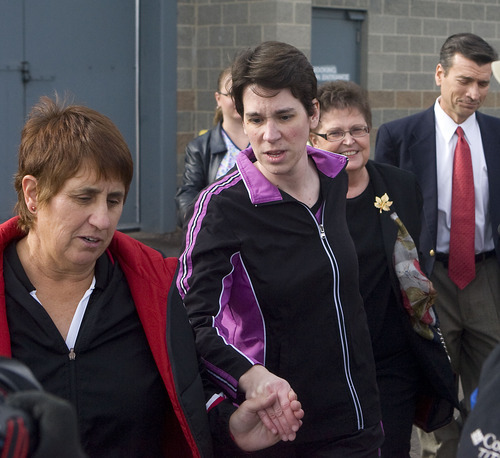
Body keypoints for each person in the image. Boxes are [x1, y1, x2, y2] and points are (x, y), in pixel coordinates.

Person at [0, 96, 304, 457]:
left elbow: (185, 403)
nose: (102, 219)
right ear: (33, 194)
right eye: (84, 198)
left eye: (114, 201)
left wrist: (230, 429)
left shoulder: (159, 291)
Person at [176, 41, 383, 457]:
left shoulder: (334, 180)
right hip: (277, 430)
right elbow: (190, 321)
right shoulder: (223, 206)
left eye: (285, 116)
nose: (269, 135)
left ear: (314, 113)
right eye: (255, 118)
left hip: (356, 424)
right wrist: (249, 376)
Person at [309, 80, 458, 457]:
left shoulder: (400, 185)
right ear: (313, 138)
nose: (349, 141)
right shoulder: (303, 197)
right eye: (335, 132)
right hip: (329, 363)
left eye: (358, 129)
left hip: (393, 359)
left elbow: (412, 265)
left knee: (391, 449)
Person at [375, 33, 500, 457]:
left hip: (487, 278)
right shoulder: (399, 137)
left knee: (493, 387)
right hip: (429, 280)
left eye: (483, 84)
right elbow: (386, 219)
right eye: (465, 80)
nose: (474, 93)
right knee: (437, 390)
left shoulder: (498, 136)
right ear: (439, 74)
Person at [175, 66, 249, 226]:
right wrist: (201, 223)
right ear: (218, 99)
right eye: (231, 94)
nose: (238, 100)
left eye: (242, 93)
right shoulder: (200, 147)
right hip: (216, 232)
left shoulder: (266, 140)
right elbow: (188, 193)